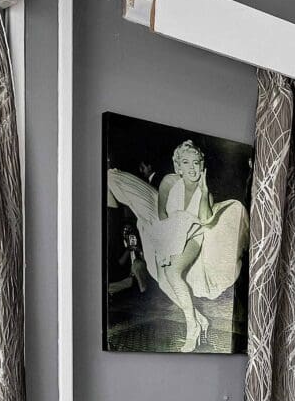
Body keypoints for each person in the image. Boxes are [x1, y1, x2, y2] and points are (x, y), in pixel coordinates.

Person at [105, 139, 249, 351]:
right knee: (164, 282)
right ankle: (199, 318)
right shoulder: (168, 182)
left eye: (196, 163)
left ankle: (192, 327)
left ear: (202, 165)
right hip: (169, 234)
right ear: (178, 166)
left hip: (194, 237)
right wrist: (167, 245)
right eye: (186, 162)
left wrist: (204, 191)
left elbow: (205, 220)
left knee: (173, 273)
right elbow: (162, 215)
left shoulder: (206, 192)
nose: (192, 168)